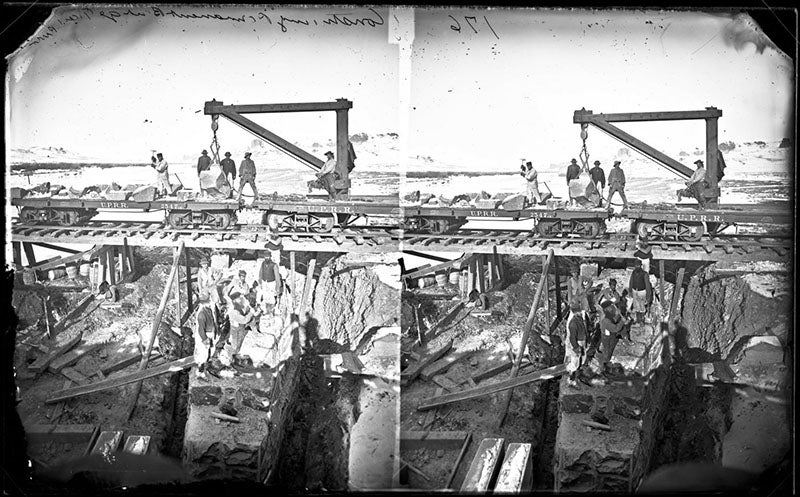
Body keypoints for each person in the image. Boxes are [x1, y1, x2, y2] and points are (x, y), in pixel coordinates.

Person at [225, 291, 256, 365]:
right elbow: (244, 320)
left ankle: (234, 359)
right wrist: (251, 313)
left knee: (239, 345)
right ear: (235, 301)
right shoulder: (233, 312)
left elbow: (244, 312)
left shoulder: (238, 306)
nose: (242, 299)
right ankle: (230, 361)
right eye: (240, 299)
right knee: (235, 347)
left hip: (239, 329)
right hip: (236, 332)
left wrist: (248, 307)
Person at [599, 301, 630, 373]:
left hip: (610, 335)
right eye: (611, 307)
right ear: (606, 309)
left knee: (611, 346)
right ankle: (604, 365)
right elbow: (615, 328)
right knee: (607, 350)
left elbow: (614, 318)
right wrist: (622, 321)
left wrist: (617, 314)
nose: (613, 308)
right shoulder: (605, 320)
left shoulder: (607, 314)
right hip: (607, 337)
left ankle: (606, 362)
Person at [194, 291, 219, 379]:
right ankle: (200, 373)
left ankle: (205, 368)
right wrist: (205, 339)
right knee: (203, 354)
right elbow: (201, 329)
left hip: (210, 334)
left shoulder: (207, 309)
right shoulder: (202, 314)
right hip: (205, 335)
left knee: (209, 352)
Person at [565, 301, 588, 385]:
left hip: (582, 340)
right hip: (578, 342)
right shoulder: (573, 323)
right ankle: (571, 379)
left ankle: (578, 375)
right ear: (577, 311)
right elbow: (572, 337)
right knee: (575, 361)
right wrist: (576, 347)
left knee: (582, 357)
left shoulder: (579, 318)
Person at [628, 260, 651, 324]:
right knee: (636, 305)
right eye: (635, 265)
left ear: (641, 266)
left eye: (638, 265)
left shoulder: (645, 274)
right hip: (635, 290)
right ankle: (637, 318)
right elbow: (631, 281)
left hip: (642, 291)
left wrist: (648, 296)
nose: (637, 266)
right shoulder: (634, 272)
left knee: (642, 305)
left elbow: (647, 285)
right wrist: (630, 290)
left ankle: (642, 319)